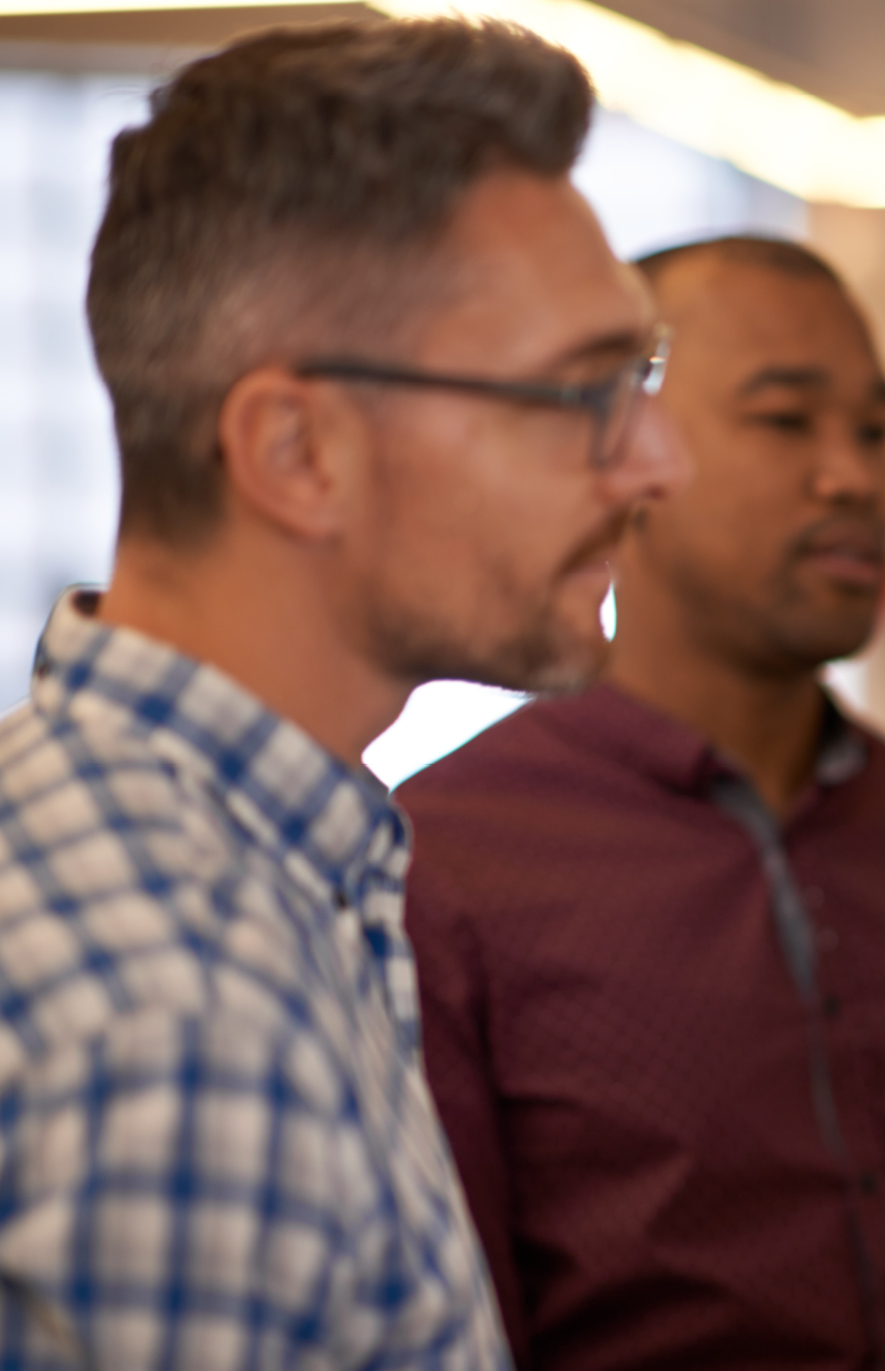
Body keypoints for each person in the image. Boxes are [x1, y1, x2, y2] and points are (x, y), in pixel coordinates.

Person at [0, 19, 680, 1364]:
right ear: (297, 449)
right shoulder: (176, 1015)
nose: (655, 460)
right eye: (581, 389)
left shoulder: (213, 862)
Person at [397, 235, 885, 1371]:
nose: (851, 476)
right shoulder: (442, 869)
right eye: (784, 419)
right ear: (615, 448)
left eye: (872, 429)